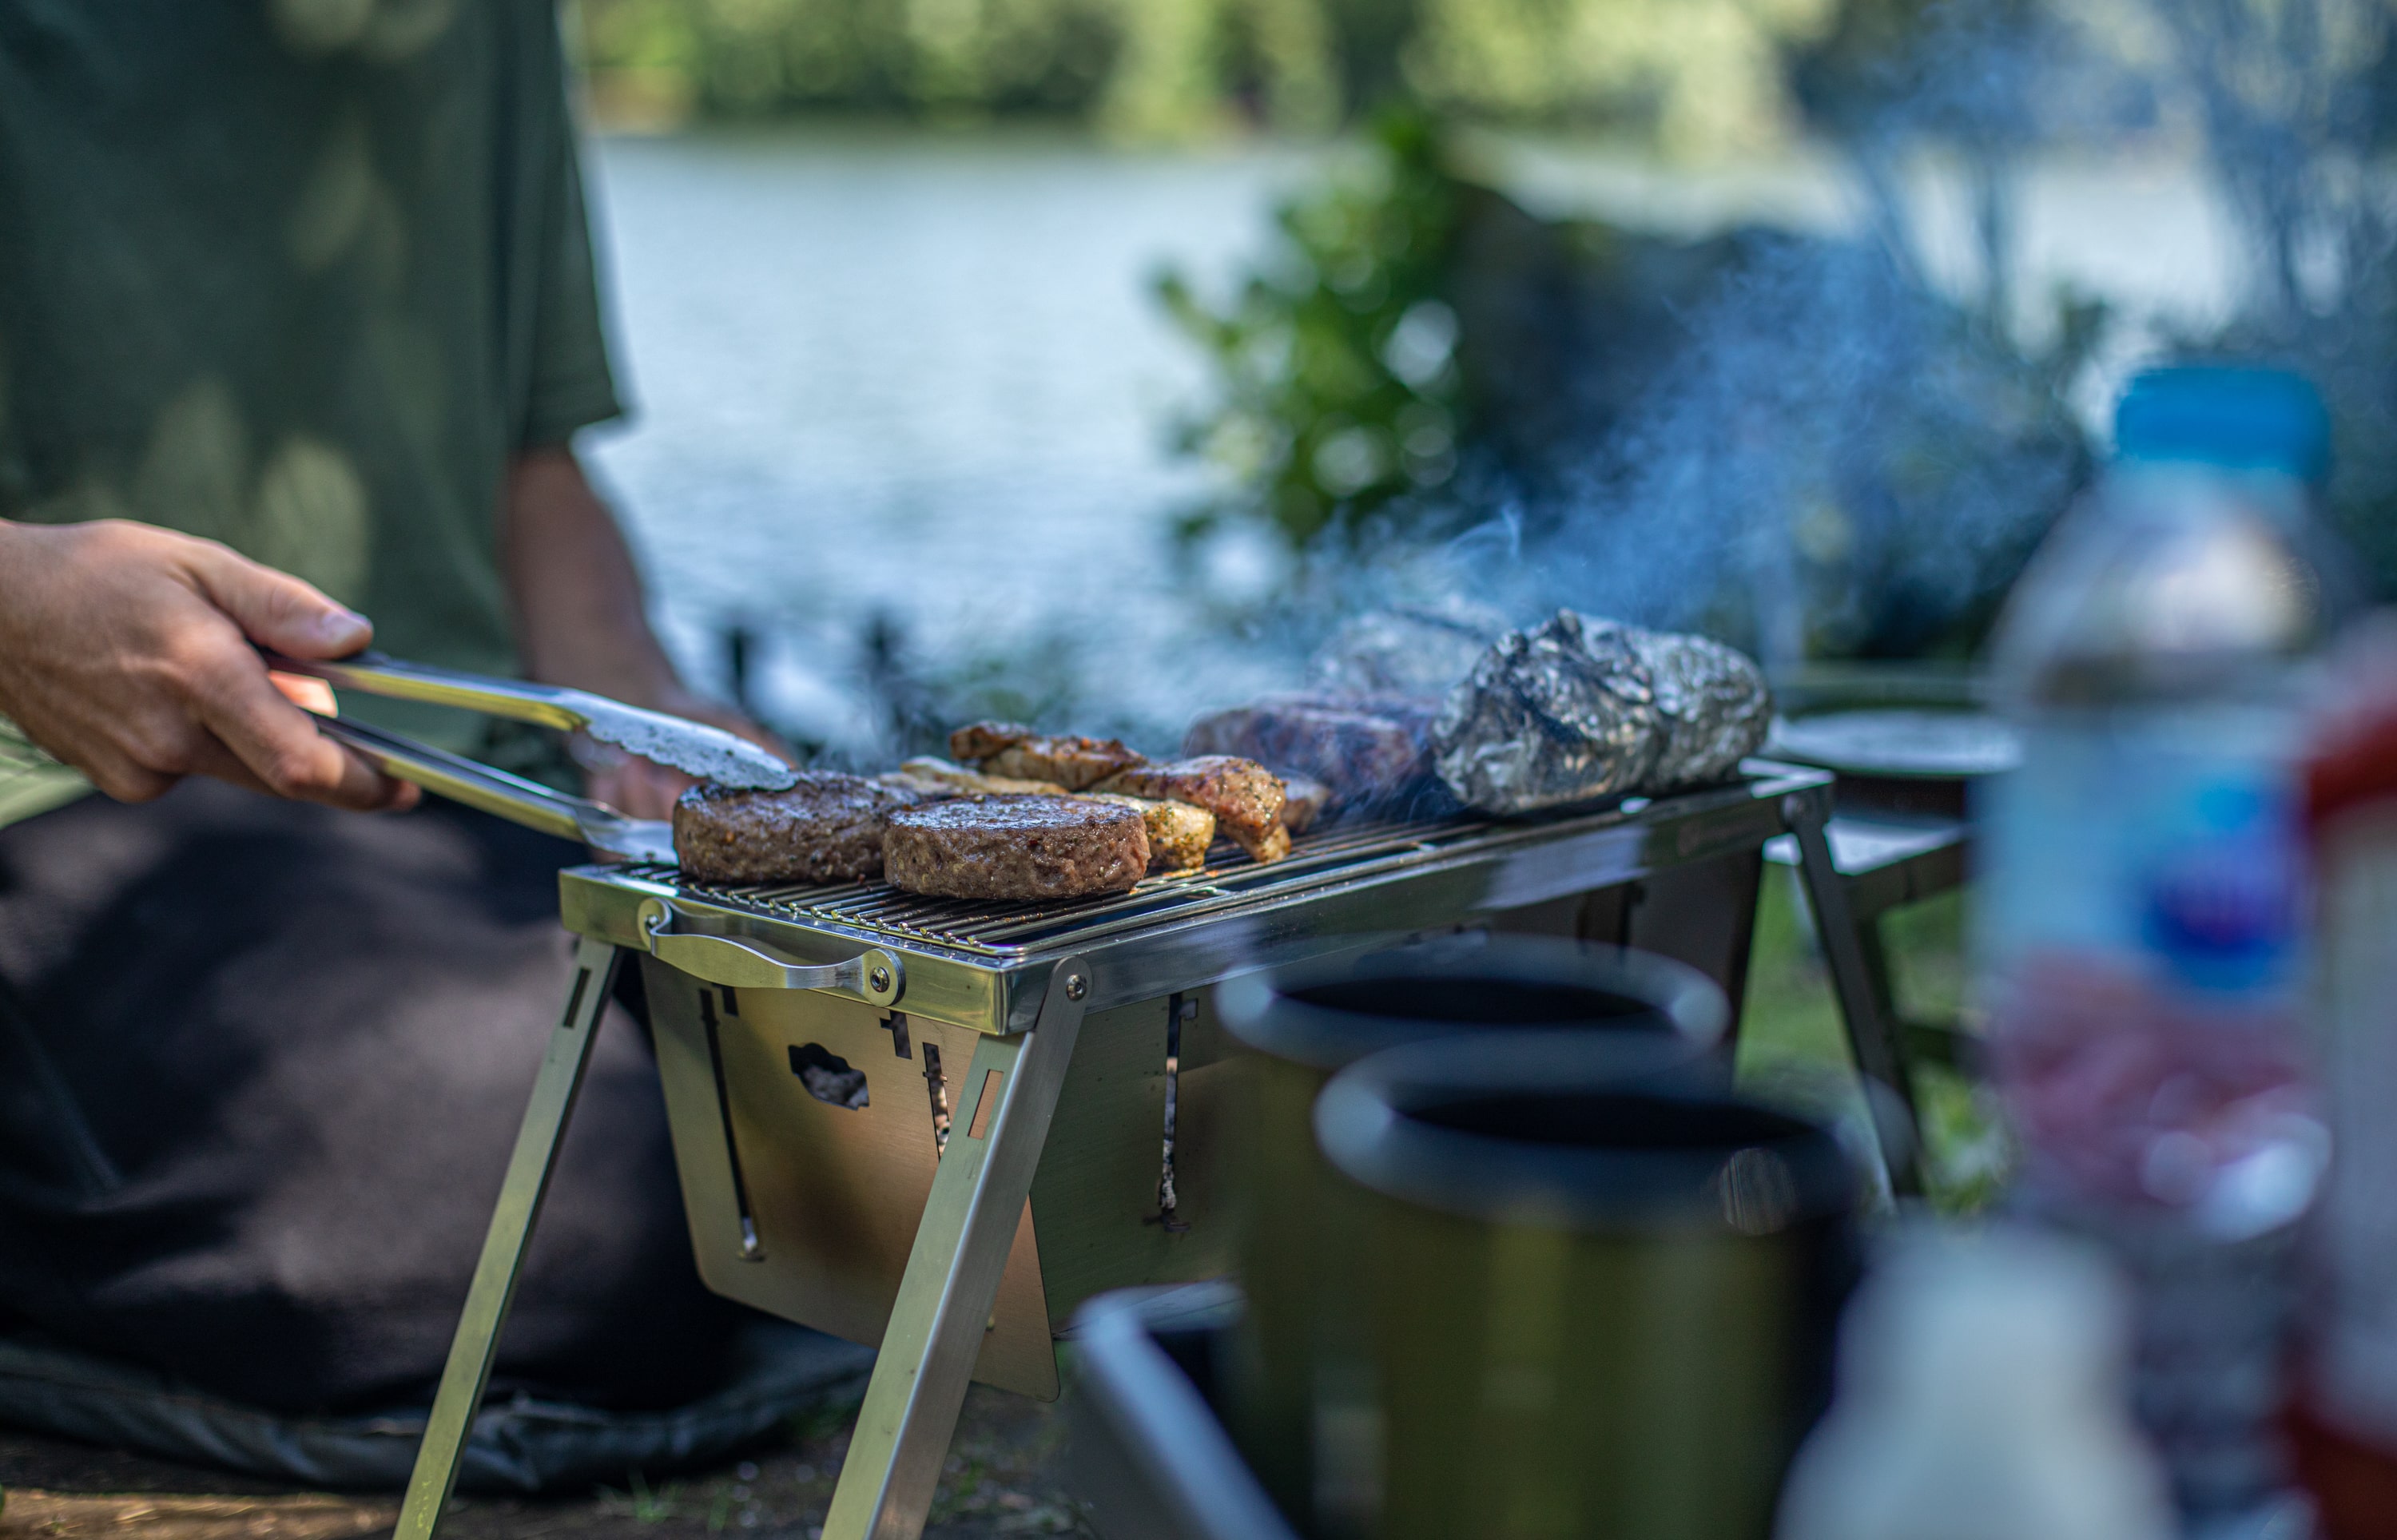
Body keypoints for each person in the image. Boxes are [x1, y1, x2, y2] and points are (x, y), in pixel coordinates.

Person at [0, 0, 824, 1464]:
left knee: (914, 1115)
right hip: (51, 801)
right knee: (566, 1204)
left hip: (441, 832)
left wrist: (645, 700)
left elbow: (530, 457)